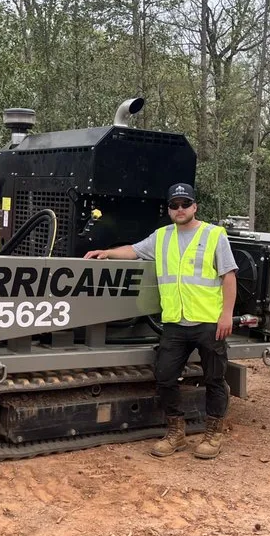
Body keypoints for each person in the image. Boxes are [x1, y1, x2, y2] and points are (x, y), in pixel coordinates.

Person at [84, 182, 238, 459]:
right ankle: (176, 433)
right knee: (165, 376)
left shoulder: (214, 235)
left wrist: (226, 314)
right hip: (175, 323)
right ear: (169, 209)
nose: (179, 209)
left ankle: (213, 434)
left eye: (185, 204)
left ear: (194, 206)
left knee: (215, 379)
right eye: (174, 205)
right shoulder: (162, 237)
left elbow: (228, 276)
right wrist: (106, 253)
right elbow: (134, 250)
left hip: (208, 322)